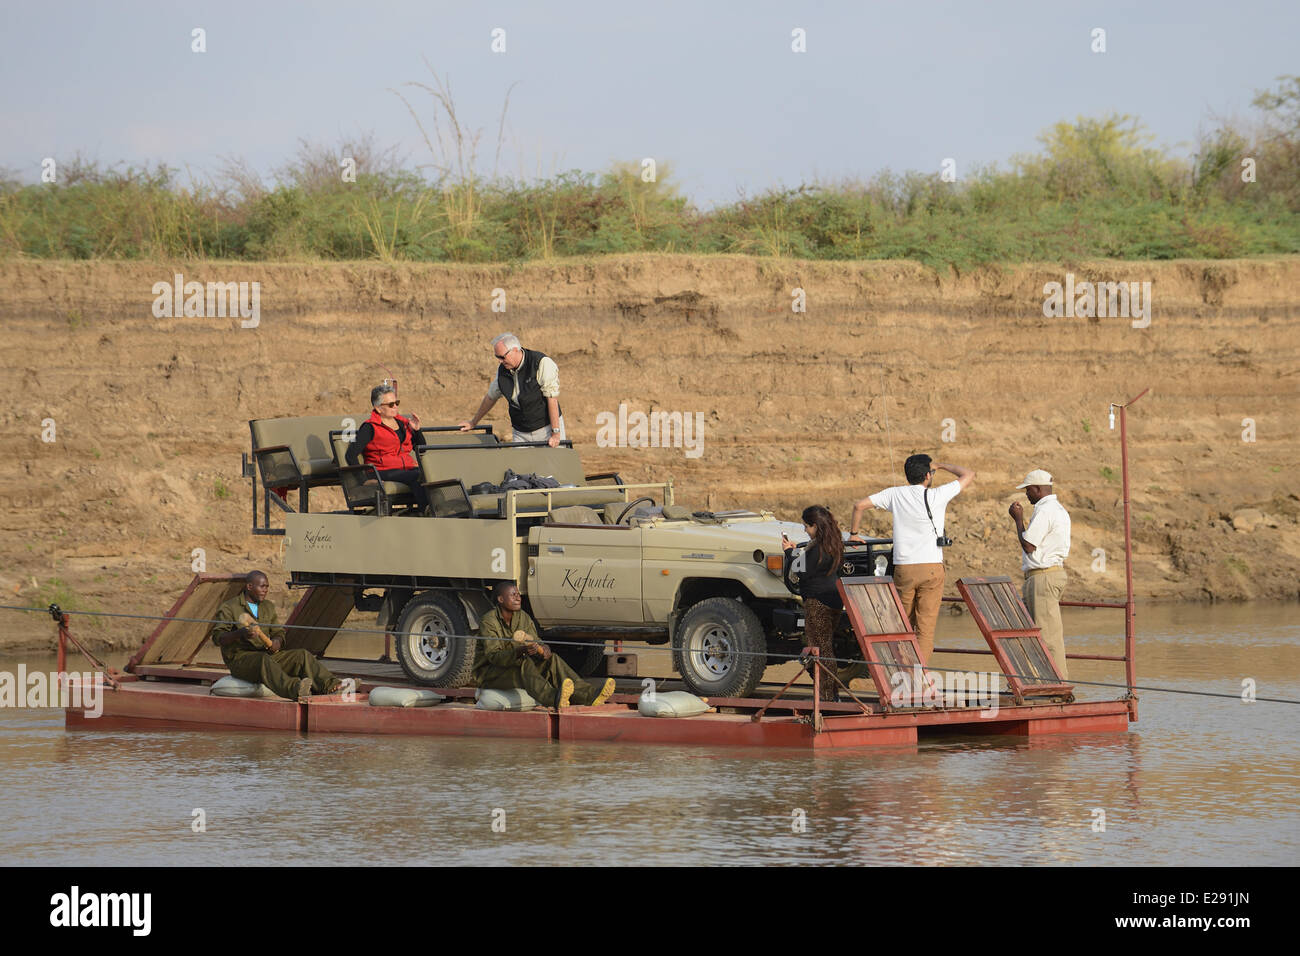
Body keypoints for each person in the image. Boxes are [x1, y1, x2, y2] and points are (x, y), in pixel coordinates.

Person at [848, 454, 975, 662]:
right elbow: (969, 474)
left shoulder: (894, 494)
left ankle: (899, 669)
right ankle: (919, 676)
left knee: (901, 623)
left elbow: (859, 505)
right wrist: (941, 465)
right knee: (925, 628)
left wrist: (854, 534)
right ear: (927, 475)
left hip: (904, 568)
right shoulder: (938, 495)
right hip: (932, 568)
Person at [473, 581, 615, 708]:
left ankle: (589, 695)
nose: (518, 597)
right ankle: (554, 698)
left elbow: (536, 641)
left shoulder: (523, 617)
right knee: (524, 665)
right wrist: (521, 651)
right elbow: (494, 657)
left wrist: (543, 649)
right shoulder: (489, 621)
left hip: (514, 664)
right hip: (490, 673)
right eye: (513, 595)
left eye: (518, 594)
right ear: (501, 599)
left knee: (552, 659)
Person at [211, 570, 346, 700]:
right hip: (240, 661)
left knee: (301, 655)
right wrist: (241, 633)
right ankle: (295, 689)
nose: (265, 590)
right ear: (249, 586)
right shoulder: (229, 607)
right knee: (263, 659)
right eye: (262, 586)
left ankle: (332, 685)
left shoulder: (268, 606)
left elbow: (278, 632)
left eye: (267, 587)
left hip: (267, 655)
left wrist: (277, 641)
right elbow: (218, 638)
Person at [1009, 469, 1072, 679]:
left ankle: (1059, 685)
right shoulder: (1056, 509)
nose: (1026, 495)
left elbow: (1028, 545)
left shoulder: (1045, 510)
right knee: (1037, 632)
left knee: (1047, 635)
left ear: (1037, 489)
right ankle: (1042, 681)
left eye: (1028, 490)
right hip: (1045, 575)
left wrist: (1018, 520)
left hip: (1043, 577)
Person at [781, 505, 844, 702]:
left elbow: (799, 571)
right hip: (834, 600)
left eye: (806, 527)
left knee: (821, 649)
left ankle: (827, 697)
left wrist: (789, 553)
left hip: (817, 602)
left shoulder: (816, 549)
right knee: (824, 647)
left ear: (815, 526)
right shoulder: (835, 543)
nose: (805, 531)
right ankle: (832, 693)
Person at [459, 333, 565, 447]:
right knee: (519, 465)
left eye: (502, 357)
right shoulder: (502, 370)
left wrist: (555, 433)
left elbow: (552, 398)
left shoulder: (541, 363)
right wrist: (473, 422)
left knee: (553, 464)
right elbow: (491, 397)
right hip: (520, 433)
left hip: (546, 429)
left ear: (515, 350)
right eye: (497, 357)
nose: (499, 361)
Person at [346, 383, 430, 514]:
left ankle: (443, 509)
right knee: (417, 475)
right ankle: (428, 511)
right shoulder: (370, 427)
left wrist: (417, 431)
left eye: (396, 402)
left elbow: (422, 450)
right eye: (391, 404)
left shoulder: (404, 423)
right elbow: (350, 455)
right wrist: (364, 480)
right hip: (381, 470)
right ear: (378, 408)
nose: (395, 406)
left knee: (429, 474)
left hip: (405, 469)